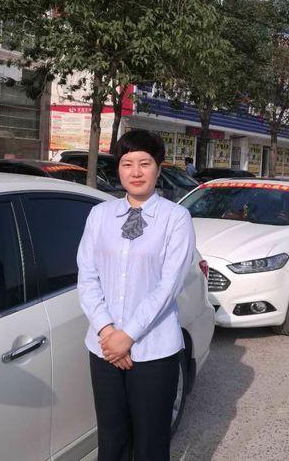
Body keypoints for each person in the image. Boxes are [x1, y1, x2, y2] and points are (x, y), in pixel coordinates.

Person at [77, 129, 196, 461]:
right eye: (127, 164)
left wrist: (127, 335)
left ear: (158, 167)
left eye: (145, 163)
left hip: (154, 351)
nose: (136, 172)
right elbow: (87, 276)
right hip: (103, 349)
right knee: (112, 440)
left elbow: (169, 285)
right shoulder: (100, 215)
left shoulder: (176, 218)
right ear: (118, 168)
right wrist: (108, 331)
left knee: (150, 444)